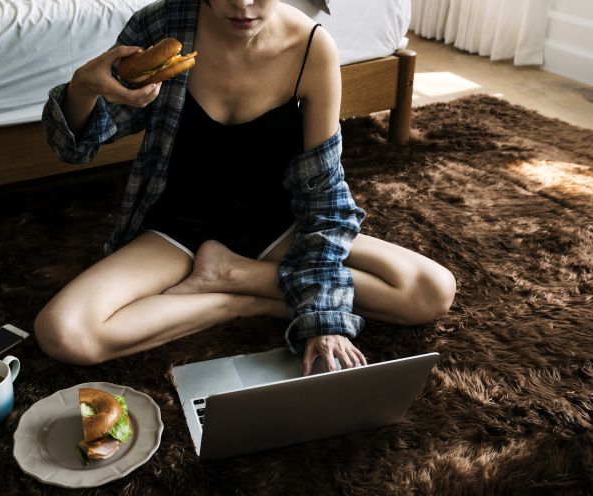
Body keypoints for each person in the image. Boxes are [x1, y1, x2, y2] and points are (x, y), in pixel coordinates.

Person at [35, 0, 456, 375]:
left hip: (279, 225)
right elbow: (79, 146)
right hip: (176, 228)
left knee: (430, 290)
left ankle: (236, 274)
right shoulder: (163, 25)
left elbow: (325, 192)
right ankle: (241, 301)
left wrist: (325, 317)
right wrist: (83, 87)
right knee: (63, 333)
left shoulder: (312, 47)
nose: (243, 5)